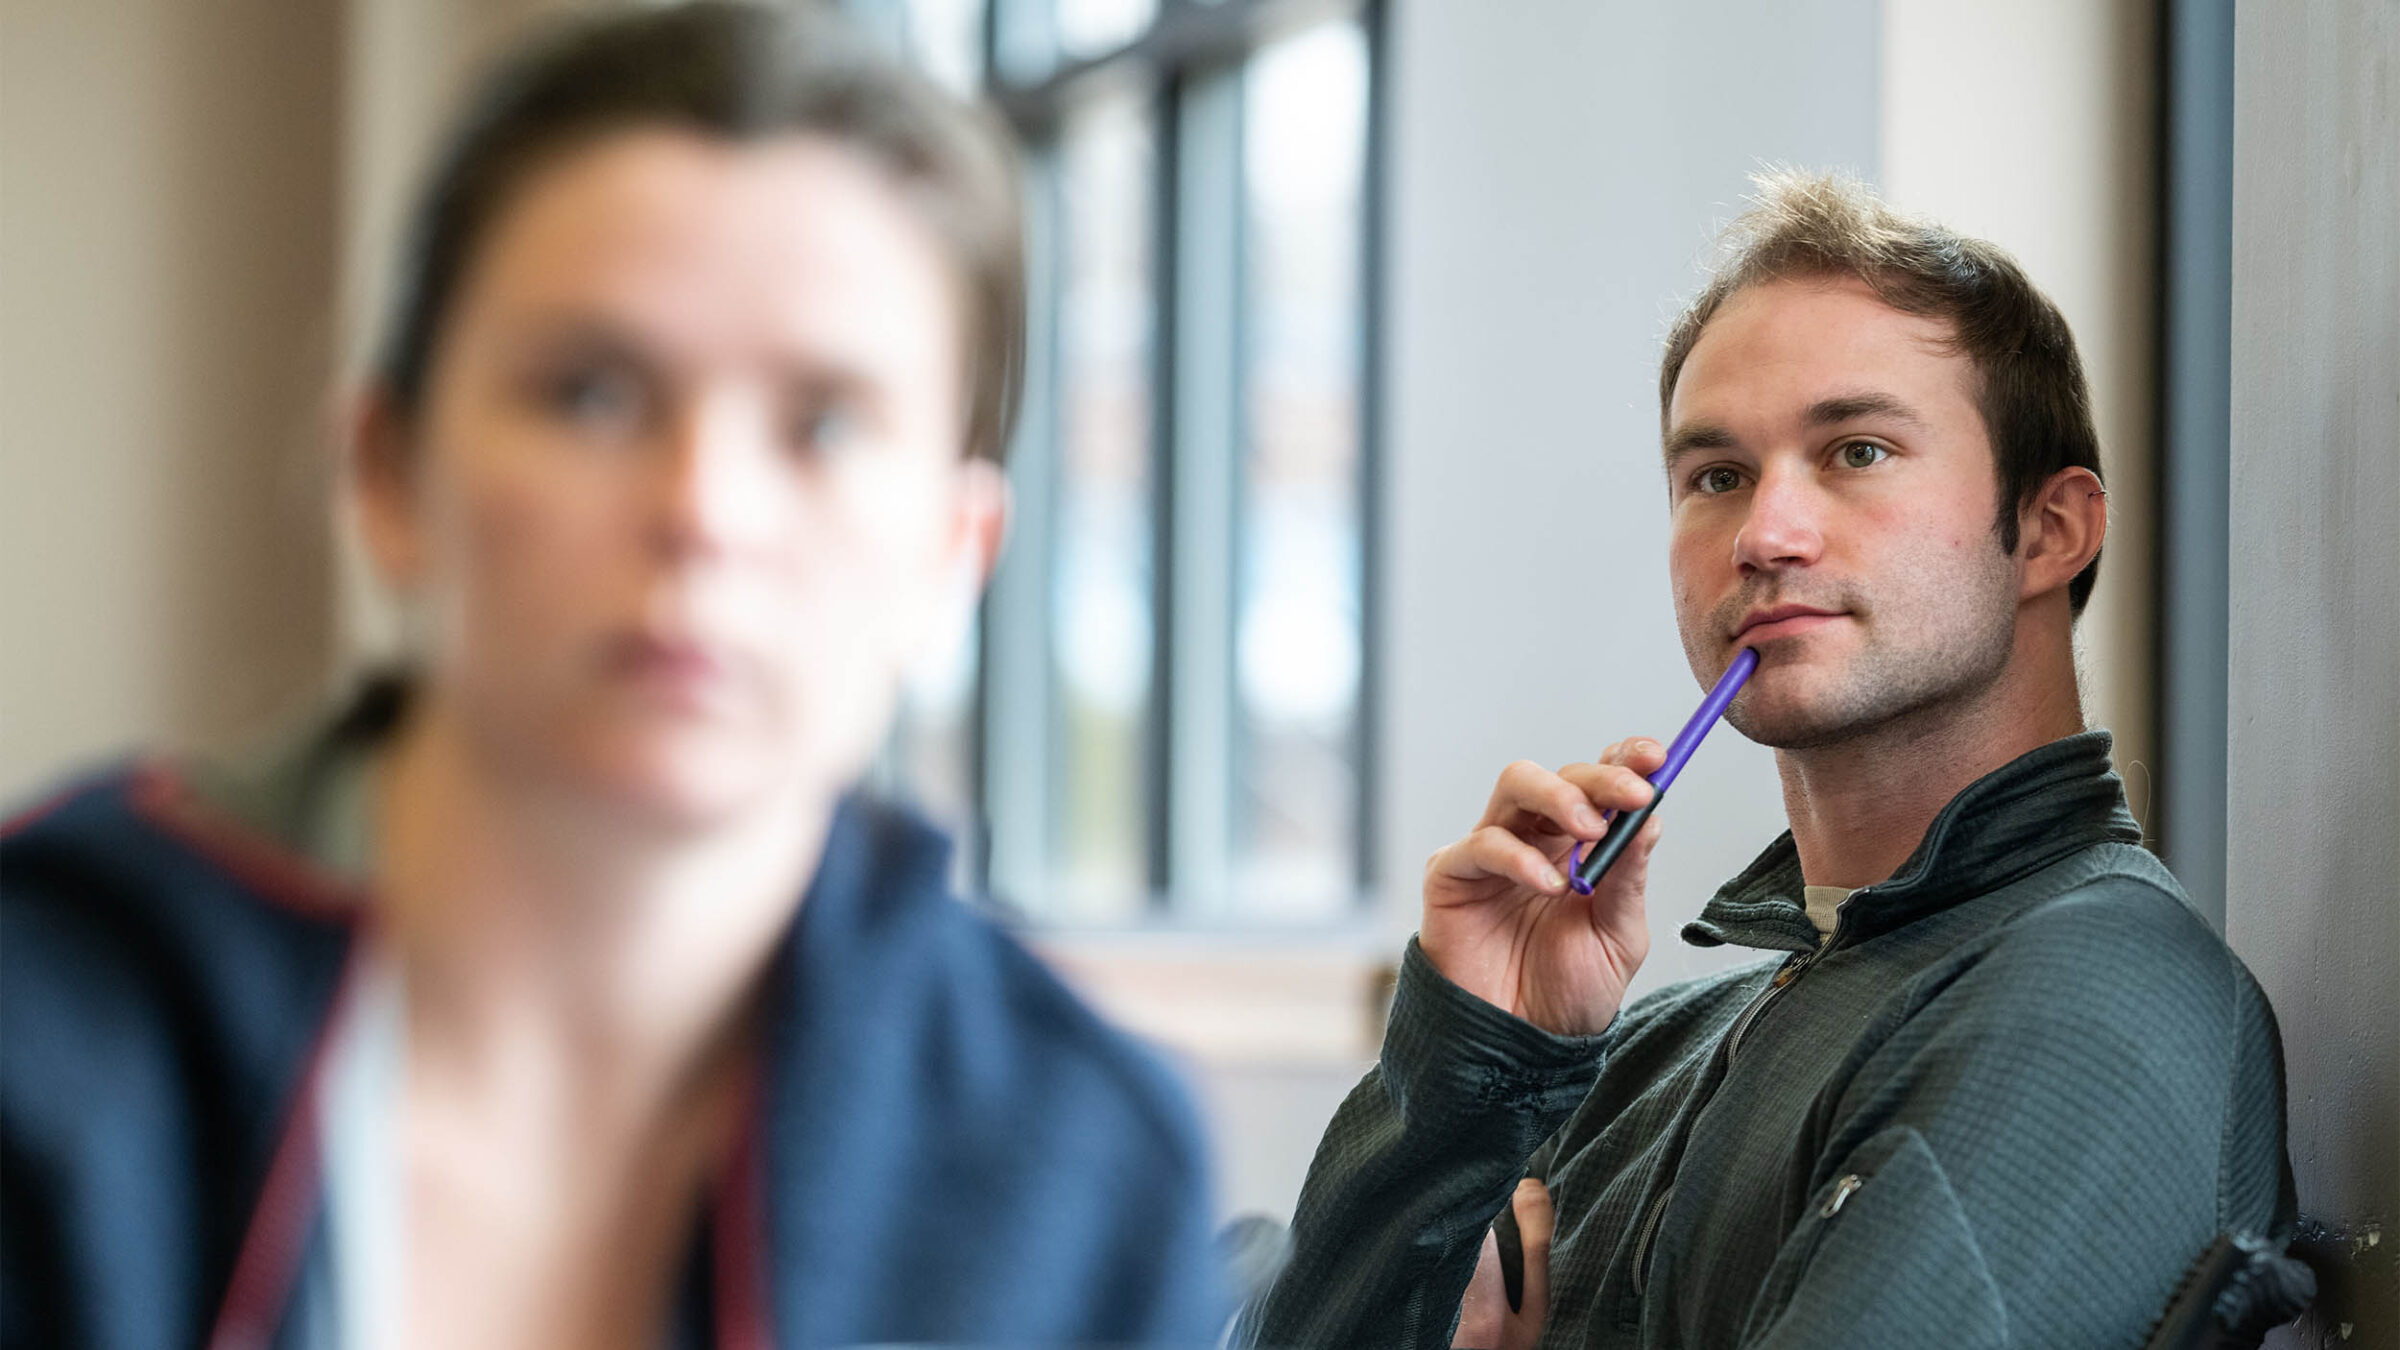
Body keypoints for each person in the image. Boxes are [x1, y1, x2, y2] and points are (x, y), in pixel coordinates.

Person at [0, 5, 1224, 1347]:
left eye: (821, 423)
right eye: (592, 393)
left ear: (951, 553)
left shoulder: (1081, 1172)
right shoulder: (42, 1023)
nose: (704, 507)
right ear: (389, 472)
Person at [1236, 172, 2295, 1349]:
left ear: (2050, 530)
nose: (1763, 534)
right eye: (1717, 476)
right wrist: (1473, 1069)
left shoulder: (2095, 998)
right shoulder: (1652, 1055)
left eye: (1857, 451)